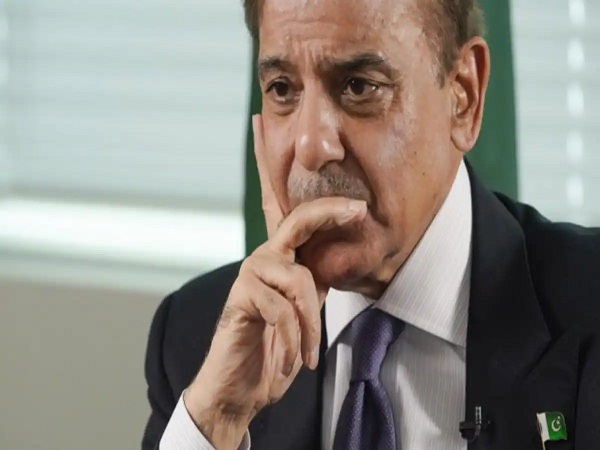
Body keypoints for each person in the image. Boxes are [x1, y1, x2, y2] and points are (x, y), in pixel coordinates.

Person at [142, 0, 600, 448]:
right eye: (282, 89)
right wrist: (217, 422)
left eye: (359, 86)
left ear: (464, 95)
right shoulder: (201, 343)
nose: (311, 147)